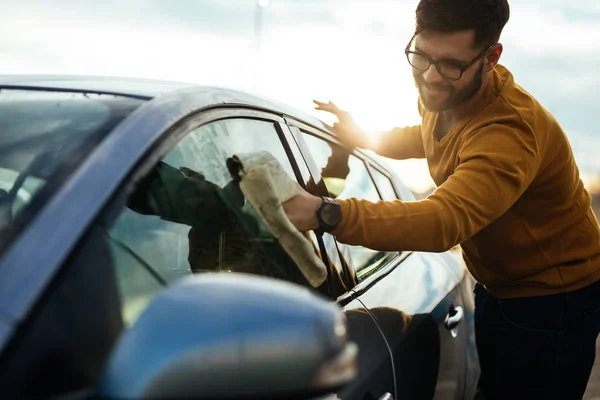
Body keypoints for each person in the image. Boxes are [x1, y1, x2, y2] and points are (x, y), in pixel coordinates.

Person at [282, 0, 600, 398]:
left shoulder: (509, 132)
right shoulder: (447, 92)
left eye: (450, 64)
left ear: (491, 57)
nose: (431, 77)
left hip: (553, 299)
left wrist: (328, 213)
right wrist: (363, 136)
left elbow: (442, 221)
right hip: (498, 284)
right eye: (421, 56)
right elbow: (429, 137)